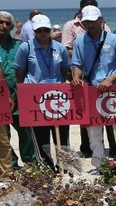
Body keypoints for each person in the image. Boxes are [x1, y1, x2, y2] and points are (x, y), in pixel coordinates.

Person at [70, 5, 116, 168]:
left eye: (93, 21)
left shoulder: (114, 39)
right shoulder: (79, 41)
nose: (90, 25)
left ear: (101, 20)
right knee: (94, 133)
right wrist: (76, 77)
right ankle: (100, 166)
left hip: (115, 91)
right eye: (87, 22)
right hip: (92, 91)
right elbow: (77, 64)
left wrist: (110, 80)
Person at [14, 14, 72, 169]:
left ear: (50, 29)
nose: (43, 33)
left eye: (46, 29)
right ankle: (47, 165)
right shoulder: (25, 47)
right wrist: (22, 91)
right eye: (39, 30)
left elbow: (65, 68)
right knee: (41, 135)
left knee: (62, 133)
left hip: (58, 96)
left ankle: (64, 165)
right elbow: (19, 71)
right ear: (34, 31)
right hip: (35, 97)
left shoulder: (59, 47)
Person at [1, 11, 38, 171]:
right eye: (0, 22)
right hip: (1, 97)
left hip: (20, 94)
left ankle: (30, 163)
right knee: (4, 135)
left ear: (12, 26)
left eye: (6, 23)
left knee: (26, 131)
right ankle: (12, 165)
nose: (3, 26)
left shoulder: (21, 45)